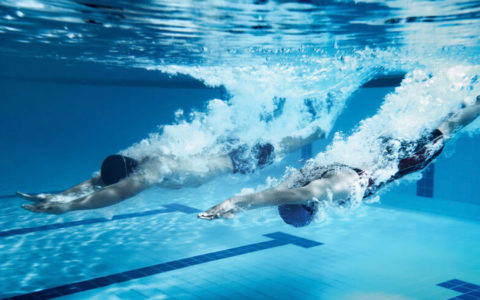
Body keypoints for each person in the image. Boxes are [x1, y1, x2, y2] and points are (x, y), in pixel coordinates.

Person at [198, 96, 480, 226]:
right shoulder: (302, 177)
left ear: (311, 208)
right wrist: (240, 208)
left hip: (405, 159)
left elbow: (300, 194)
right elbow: (278, 194)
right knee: (428, 120)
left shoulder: (328, 190)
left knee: (449, 126)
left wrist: (235, 201)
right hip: (383, 150)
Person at [17, 128, 326, 214]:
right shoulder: (138, 158)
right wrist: (57, 195)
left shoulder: (151, 172)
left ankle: (317, 131)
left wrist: (67, 208)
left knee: (286, 143)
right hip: (225, 149)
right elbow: (98, 180)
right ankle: (312, 129)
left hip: (236, 159)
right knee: (277, 138)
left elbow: (115, 193)